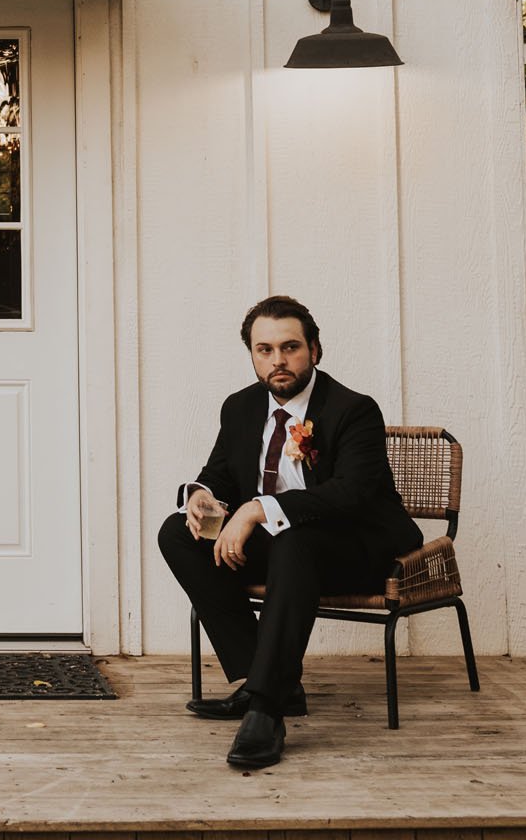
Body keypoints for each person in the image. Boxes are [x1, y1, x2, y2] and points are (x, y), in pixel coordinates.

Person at [158, 294, 421, 772]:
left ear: (314, 350)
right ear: (253, 355)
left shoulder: (354, 409)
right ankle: (269, 679)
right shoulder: (239, 407)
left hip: (356, 546)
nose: (277, 360)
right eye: (264, 350)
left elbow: (351, 494)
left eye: (290, 347)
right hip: (287, 550)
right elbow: (218, 474)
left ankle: (265, 707)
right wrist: (199, 495)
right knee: (176, 534)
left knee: (293, 539)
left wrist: (258, 510)